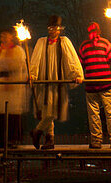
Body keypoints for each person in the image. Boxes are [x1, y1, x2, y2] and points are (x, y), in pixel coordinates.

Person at [29, 14, 83, 150]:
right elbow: (35, 60)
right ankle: (50, 139)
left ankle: (37, 131)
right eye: (51, 28)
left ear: (60, 30)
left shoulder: (64, 41)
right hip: (44, 80)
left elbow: (72, 59)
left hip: (58, 81)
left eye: (56, 28)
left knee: (53, 111)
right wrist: (32, 75)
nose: (53, 31)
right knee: (48, 110)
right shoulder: (42, 42)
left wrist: (77, 74)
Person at [78, 22, 111, 150]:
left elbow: (79, 63)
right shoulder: (105, 43)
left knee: (93, 115)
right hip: (105, 84)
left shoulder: (83, 46)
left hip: (90, 85)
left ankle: (96, 142)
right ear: (99, 31)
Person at [0, 30, 28, 147]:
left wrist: (6, 66)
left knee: (13, 113)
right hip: (0, 86)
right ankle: (0, 140)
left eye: (6, 35)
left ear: (12, 37)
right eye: (2, 35)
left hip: (13, 86)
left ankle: (13, 139)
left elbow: (19, 66)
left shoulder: (18, 51)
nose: (4, 37)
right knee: (0, 113)